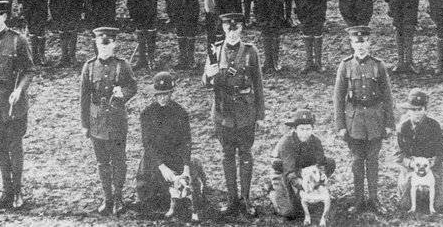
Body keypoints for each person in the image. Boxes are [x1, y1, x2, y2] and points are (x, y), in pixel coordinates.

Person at [202, 12, 264, 217]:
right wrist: (209, 76)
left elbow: (258, 84)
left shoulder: (250, 51)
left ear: (241, 29)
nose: (232, 33)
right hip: (223, 111)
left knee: (245, 154)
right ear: (223, 29)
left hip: (246, 111)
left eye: (236, 28)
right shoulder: (215, 50)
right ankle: (232, 198)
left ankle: (246, 198)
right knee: (227, 154)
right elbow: (205, 81)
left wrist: (260, 114)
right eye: (228, 28)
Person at [0, 0, 35, 211]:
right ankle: (6, 191)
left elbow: (29, 70)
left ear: (4, 16)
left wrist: (19, 89)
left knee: (14, 146)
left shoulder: (19, 41)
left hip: (13, 102)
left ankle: (18, 191)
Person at [333, 25, 395, 215]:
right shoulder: (345, 65)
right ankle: (359, 200)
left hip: (375, 119)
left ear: (369, 42)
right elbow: (338, 97)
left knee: (373, 160)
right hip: (355, 121)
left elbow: (387, 96)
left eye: (364, 41)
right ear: (351, 43)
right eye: (356, 42)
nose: (360, 45)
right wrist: (341, 126)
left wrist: (390, 123)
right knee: (357, 161)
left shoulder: (378, 65)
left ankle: (374, 199)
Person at [80, 26, 138, 216]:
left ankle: (119, 197)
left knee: (119, 161)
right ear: (96, 44)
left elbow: (133, 86)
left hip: (117, 120)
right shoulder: (88, 66)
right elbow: (84, 98)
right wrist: (84, 124)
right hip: (97, 122)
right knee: (102, 163)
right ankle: (108, 198)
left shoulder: (123, 65)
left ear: (114, 44)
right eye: (100, 44)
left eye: (108, 44)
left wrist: (123, 93)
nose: (104, 48)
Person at [136, 71, 195, 216]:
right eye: (159, 94)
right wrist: (162, 167)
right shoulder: (147, 114)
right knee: (149, 198)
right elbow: (148, 144)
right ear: (155, 95)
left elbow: (186, 141)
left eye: (166, 94)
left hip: (175, 156)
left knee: (183, 190)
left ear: (171, 93)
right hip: (155, 160)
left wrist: (186, 166)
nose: (162, 98)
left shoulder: (181, 113)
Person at [269, 108, 336, 218]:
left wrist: (322, 174)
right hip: (282, 172)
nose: (305, 133)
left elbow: (321, 163)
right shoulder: (286, 143)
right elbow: (289, 172)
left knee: (330, 162)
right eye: (302, 129)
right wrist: (301, 184)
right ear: (295, 129)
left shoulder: (316, 141)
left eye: (308, 129)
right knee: (289, 212)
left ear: (312, 129)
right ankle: (272, 190)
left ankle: (311, 190)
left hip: (302, 170)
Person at [393, 88, 443, 213]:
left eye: (420, 109)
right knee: (404, 205)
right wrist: (410, 163)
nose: (417, 113)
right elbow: (398, 154)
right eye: (413, 110)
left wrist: (433, 161)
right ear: (408, 111)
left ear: (425, 110)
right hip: (411, 169)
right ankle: (404, 184)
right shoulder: (403, 127)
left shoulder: (434, 126)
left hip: (431, 168)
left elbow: (442, 150)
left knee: (441, 206)